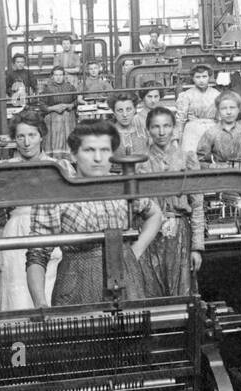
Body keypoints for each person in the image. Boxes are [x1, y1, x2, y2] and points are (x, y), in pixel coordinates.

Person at [26, 121, 163, 305]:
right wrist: (40, 304)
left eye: (105, 150)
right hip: (76, 287)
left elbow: (155, 214)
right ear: (74, 154)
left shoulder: (123, 186)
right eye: (89, 150)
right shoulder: (56, 195)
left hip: (127, 282)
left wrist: (133, 252)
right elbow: (37, 254)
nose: (98, 158)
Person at [0, 112, 63, 311]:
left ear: (42, 135)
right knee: (17, 295)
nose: (26, 142)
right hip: (15, 233)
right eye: (20, 136)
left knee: (48, 291)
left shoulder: (57, 167)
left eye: (32, 135)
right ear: (14, 139)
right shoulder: (5, 169)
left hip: (50, 234)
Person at [140, 106, 204, 297]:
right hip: (148, 234)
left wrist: (197, 247)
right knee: (150, 289)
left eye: (166, 126)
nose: (161, 132)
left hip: (180, 234)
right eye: (156, 127)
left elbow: (198, 205)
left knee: (182, 292)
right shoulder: (140, 161)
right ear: (148, 130)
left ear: (174, 128)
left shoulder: (187, 159)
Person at [197, 90, 241, 168]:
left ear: (238, 109)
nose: (228, 112)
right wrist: (215, 167)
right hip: (221, 175)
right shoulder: (211, 133)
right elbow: (201, 160)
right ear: (218, 111)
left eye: (232, 108)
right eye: (224, 108)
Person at [174, 64, 220, 158]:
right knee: (191, 158)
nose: (201, 80)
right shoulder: (186, 95)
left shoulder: (216, 94)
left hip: (212, 128)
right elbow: (181, 118)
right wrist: (178, 136)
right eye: (198, 77)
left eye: (204, 76)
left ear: (209, 77)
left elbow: (220, 117)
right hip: (192, 129)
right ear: (193, 78)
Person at [40, 65, 78, 158]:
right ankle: (54, 159)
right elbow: (41, 105)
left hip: (68, 120)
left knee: (68, 139)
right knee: (55, 141)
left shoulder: (70, 87)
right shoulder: (47, 89)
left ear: (64, 76)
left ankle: (70, 159)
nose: (58, 77)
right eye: (56, 75)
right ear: (52, 76)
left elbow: (77, 100)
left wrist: (70, 105)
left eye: (60, 75)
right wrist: (53, 108)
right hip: (53, 121)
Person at [111, 91, 149, 156]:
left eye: (128, 109)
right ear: (114, 112)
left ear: (134, 110)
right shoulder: (109, 135)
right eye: (120, 110)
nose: (125, 114)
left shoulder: (143, 133)